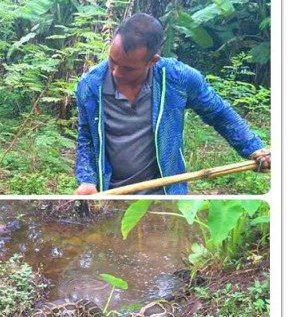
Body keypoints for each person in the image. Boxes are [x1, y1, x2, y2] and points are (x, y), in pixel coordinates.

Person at [74, 12, 270, 195]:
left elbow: (219, 113)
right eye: (112, 61)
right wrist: (87, 180)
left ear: (153, 61)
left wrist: (252, 147)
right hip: (111, 194)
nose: (115, 72)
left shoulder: (178, 78)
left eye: (127, 68)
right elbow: (87, 137)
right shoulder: (90, 85)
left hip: (166, 195)